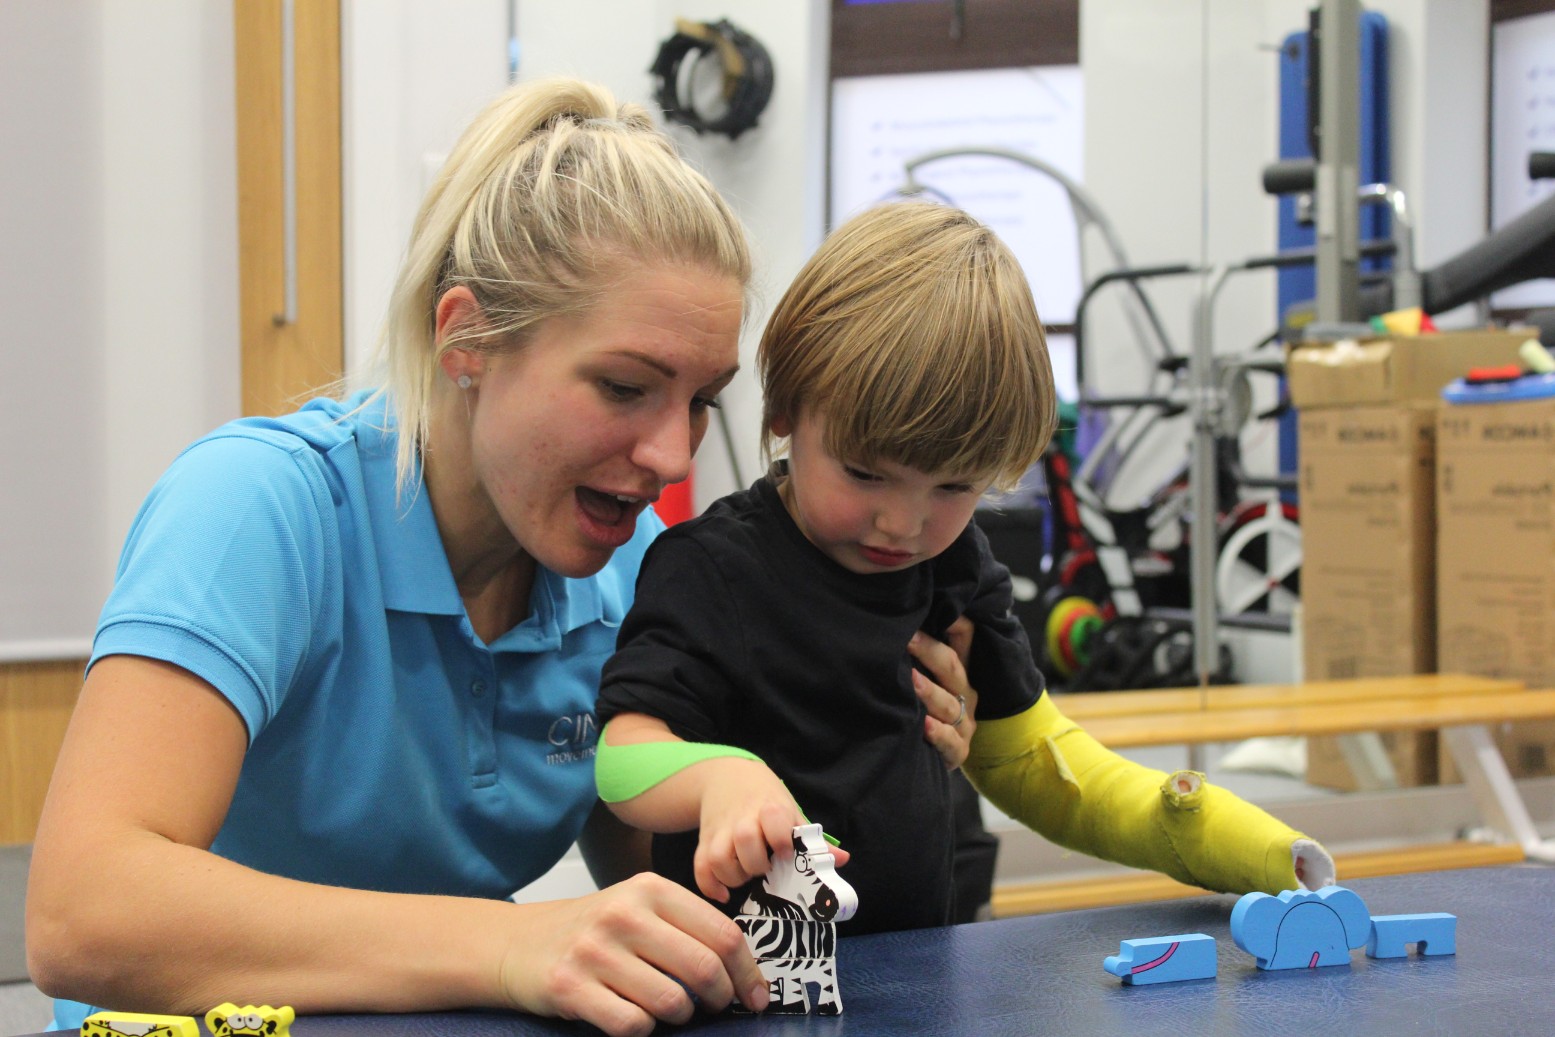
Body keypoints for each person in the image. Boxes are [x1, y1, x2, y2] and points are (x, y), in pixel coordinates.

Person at [24, 78, 990, 1037]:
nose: (670, 454)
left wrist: (852, 733)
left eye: (701, 399)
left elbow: (659, 864)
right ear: (466, 338)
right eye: (624, 387)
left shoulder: (632, 569)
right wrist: (507, 945)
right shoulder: (260, 508)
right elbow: (83, 914)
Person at [594, 202, 1335, 934]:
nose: (903, 524)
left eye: (953, 486)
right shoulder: (711, 570)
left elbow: (1042, 767)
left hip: (918, 973)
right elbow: (622, 760)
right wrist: (719, 778)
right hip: (729, 986)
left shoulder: (951, 563)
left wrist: (1254, 848)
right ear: (786, 408)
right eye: (864, 473)